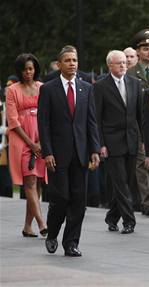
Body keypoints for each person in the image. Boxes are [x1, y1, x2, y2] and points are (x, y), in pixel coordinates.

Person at [38, 45, 100, 256]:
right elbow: (43, 123)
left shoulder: (86, 88)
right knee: (60, 198)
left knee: (78, 200)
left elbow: (91, 121)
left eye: (74, 60)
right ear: (59, 64)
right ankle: (53, 233)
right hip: (57, 154)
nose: (72, 64)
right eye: (68, 60)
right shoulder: (48, 89)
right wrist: (47, 152)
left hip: (81, 153)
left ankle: (71, 242)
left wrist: (94, 149)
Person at [95, 50, 142, 234]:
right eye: (119, 63)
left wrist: (143, 140)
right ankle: (129, 221)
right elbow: (97, 118)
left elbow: (140, 115)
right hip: (111, 142)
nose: (123, 65)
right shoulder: (100, 86)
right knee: (121, 182)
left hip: (131, 140)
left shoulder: (135, 84)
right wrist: (101, 144)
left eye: (124, 62)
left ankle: (112, 216)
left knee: (127, 183)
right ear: (110, 66)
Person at [6, 53, 47, 237]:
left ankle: (27, 226)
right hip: (22, 140)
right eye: (24, 69)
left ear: (35, 69)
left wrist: (42, 141)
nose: (27, 72)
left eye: (30, 69)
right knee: (29, 181)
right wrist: (31, 144)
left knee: (37, 182)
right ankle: (42, 223)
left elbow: (48, 114)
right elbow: (13, 121)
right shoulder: (12, 90)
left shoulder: (42, 87)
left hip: (41, 137)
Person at [127, 28, 149, 216]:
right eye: (145, 48)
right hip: (139, 125)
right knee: (141, 164)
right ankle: (148, 203)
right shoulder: (130, 73)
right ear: (138, 51)